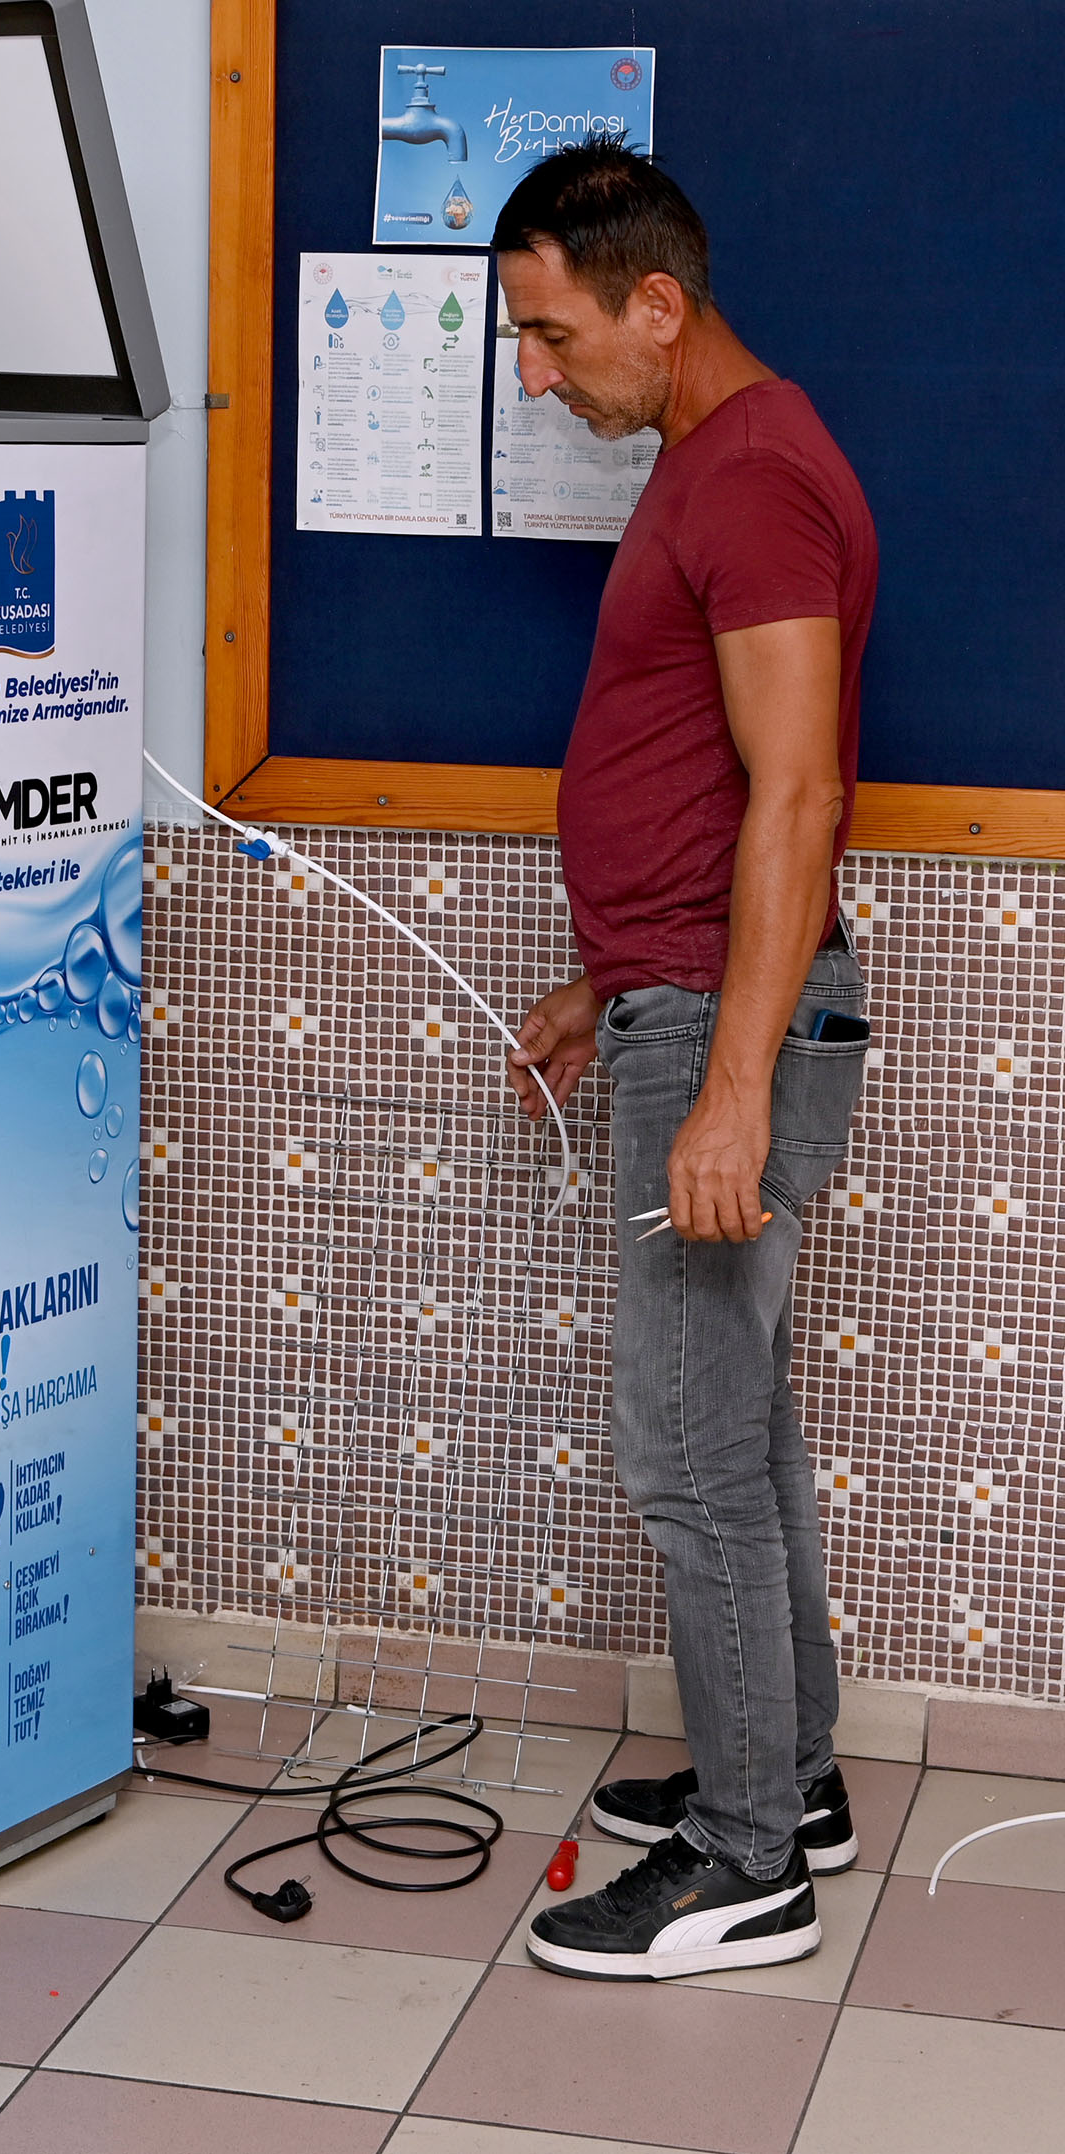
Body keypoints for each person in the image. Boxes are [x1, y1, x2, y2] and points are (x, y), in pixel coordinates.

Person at [496, 140, 877, 1981]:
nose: (535, 377)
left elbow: (796, 794)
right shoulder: (714, 461)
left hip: (730, 1026)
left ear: (658, 303)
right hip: (681, 995)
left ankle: (742, 1862)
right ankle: (787, 1779)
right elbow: (706, 783)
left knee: (688, 1454)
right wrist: (610, 980)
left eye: (555, 336)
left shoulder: (758, 478)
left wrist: (727, 1083)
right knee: (743, 1427)